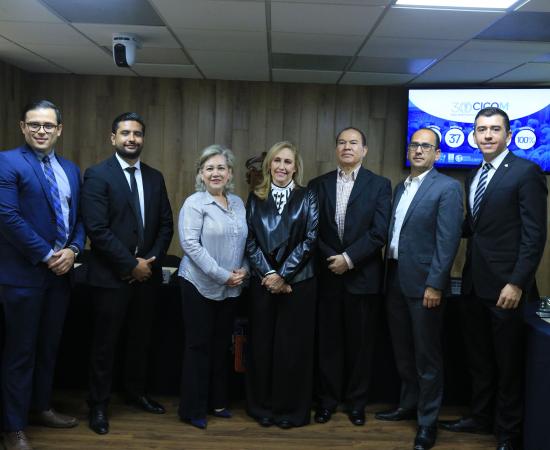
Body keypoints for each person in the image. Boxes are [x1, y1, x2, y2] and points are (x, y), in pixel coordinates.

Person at [439, 107, 547, 450]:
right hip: (474, 284)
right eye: (481, 129)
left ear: (508, 135)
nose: (487, 135)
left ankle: (509, 432)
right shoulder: (474, 174)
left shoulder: (526, 172)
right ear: (473, 136)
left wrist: (517, 283)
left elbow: (534, 236)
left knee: (508, 364)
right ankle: (481, 417)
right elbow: (476, 227)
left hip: (507, 288)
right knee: (480, 360)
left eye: (494, 129)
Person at [81, 112, 173, 435]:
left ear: (143, 139)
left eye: (137, 133)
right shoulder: (97, 175)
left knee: (140, 340)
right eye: (125, 133)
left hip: (147, 278)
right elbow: (97, 229)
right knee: (104, 345)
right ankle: (98, 405)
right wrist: (130, 265)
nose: (132, 138)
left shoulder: (155, 177)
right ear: (113, 138)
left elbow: (165, 225)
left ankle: (135, 393)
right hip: (110, 278)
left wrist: (148, 263)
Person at [0, 100, 85, 450]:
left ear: (59, 130)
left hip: (60, 277)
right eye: (34, 124)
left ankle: (41, 407)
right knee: (20, 353)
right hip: (22, 277)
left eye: (48, 125)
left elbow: (79, 219)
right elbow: (8, 217)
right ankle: (13, 426)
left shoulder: (71, 169)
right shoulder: (7, 162)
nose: (41, 130)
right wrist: (49, 255)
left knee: (49, 348)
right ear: (22, 127)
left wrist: (74, 249)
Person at [375, 128, 463, 450]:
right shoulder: (401, 187)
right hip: (395, 277)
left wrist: (435, 284)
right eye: (414, 145)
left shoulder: (448, 188)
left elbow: (447, 241)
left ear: (437, 154)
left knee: (427, 357)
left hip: (426, 284)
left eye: (426, 146)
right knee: (403, 351)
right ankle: (407, 405)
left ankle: (427, 423)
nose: (419, 150)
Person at [310, 126, 391, 426]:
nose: (347, 147)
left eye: (354, 142)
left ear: (364, 150)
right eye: (342, 142)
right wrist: (332, 258)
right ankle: (327, 401)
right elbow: (311, 230)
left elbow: (379, 232)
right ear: (336, 149)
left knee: (361, 347)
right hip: (328, 275)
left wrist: (348, 259)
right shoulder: (318, 184)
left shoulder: (380, 185)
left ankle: (357, 404)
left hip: (363, 279)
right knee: (328, 345)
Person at [245, 141, 318, 429]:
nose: (282, 167)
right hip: (263, 282)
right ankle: (261, 407)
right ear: (269, 165)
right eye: (277, 161)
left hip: (298, 283)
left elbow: (310, 239)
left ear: (295, 167)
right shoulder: (255, 197)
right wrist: (269, 274)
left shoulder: (308, 196)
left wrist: (283, 276)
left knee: (292, 349)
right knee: (262, 347)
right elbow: (250, 241)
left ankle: (290, 411)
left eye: (288, 162)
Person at [178, 145, 248, 429]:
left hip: (231, 287)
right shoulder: (195, 203)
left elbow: (245, 241)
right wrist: (222, 275)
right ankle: (193, 409)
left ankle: (217, 402)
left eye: (221, 168)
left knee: (221, 346)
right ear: (201, 174)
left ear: (230, 173)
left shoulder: (238, 203)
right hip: (198, 285)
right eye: (209, 168)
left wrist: (244, 270)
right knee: (199, 346)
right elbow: (190, 245)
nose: (215, 173)